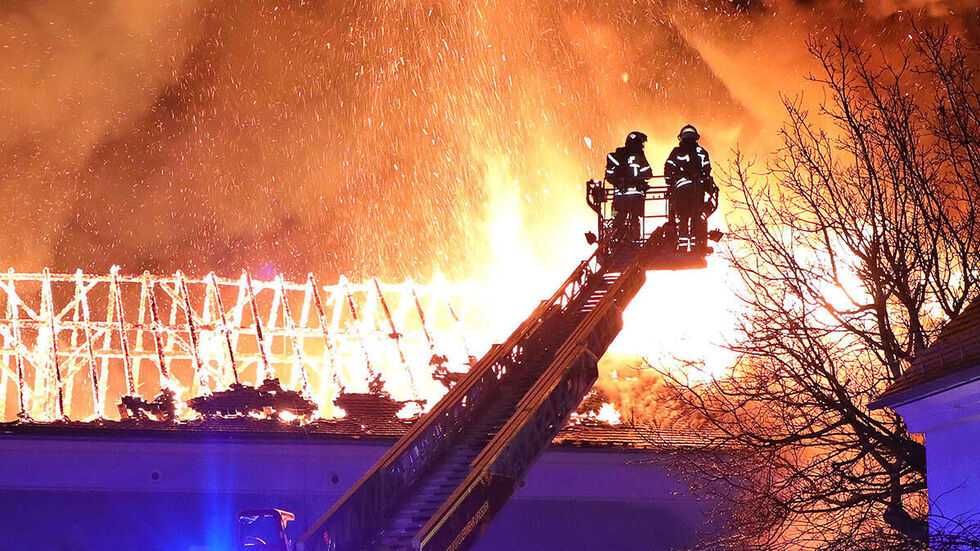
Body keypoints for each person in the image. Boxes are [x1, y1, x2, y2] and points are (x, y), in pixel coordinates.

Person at [664, 124, 717, 252]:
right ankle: (695, 246)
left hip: (680, 190)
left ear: (681, 138)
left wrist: (670, 181)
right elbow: (707, 170)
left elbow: (668, 168)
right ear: (695, 138)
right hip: (696, 189)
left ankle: (682, 246)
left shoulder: (676, 152)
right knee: (695, 216)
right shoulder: (701, 152)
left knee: (682, 217)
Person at [605, 131, 653, 242]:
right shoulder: (639, 156)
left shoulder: (614, 156)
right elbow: (648, 174)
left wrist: (619, 183)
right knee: (635, 218)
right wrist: (638, 180)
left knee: (618, 218)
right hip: (636, 196)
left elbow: (609, 176)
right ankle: (634, 239)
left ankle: (618, 239)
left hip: (619, 197)